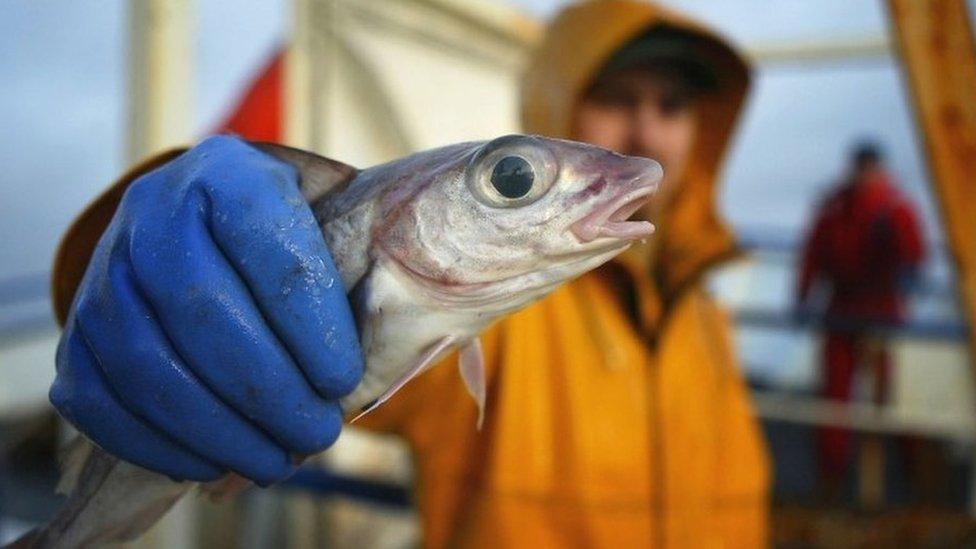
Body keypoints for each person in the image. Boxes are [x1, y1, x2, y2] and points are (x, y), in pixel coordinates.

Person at [49, 1, 768, 546]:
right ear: (561, 102)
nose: (646, 136)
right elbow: (235, 319)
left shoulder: (709, 313)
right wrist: (138, 264)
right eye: (617, 98)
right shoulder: (509, 311)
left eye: (671, 107)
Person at [796, 141, 925, 488]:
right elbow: (813, 254)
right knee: (835, 402)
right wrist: (803, 296)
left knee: (895, 399)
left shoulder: (894, 210)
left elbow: (914, 255)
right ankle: (832, 478)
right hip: (842, 311)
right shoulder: (835, 209)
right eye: (861, 169)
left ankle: (913, 477)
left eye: (870, 170)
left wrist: (908, 272)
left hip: (882, 312)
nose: (866, 177)